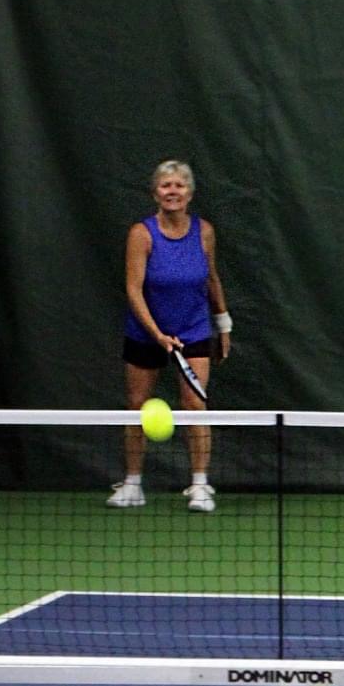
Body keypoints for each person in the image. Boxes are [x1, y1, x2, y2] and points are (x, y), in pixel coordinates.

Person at [110, 159, 232, 513]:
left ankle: (199, 485)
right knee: (136, 407)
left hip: (194, 328)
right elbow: (133, 290)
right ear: (155, 193)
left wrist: (222, 323)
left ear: (190, 193)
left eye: (179, 185)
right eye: (166, 186)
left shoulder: (204, 231)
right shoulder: (142, 234)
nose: (172, 192)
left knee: (196, 405)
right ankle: (132, 484)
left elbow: (211, 279)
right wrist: (157, 334)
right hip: (146, 331)